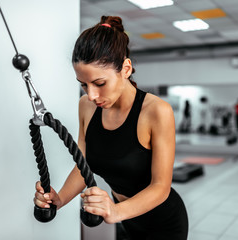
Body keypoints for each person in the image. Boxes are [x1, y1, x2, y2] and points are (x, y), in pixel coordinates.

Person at [33, 16, 188, 239]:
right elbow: (83, 165)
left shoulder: (156, 111)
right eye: (84, 85)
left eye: (99, 83)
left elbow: (160, 187)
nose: (91, 95)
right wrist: (60, 199)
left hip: (162, 222)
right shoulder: (86, 106)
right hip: (125, 219)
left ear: (126, 68)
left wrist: (115, 211)